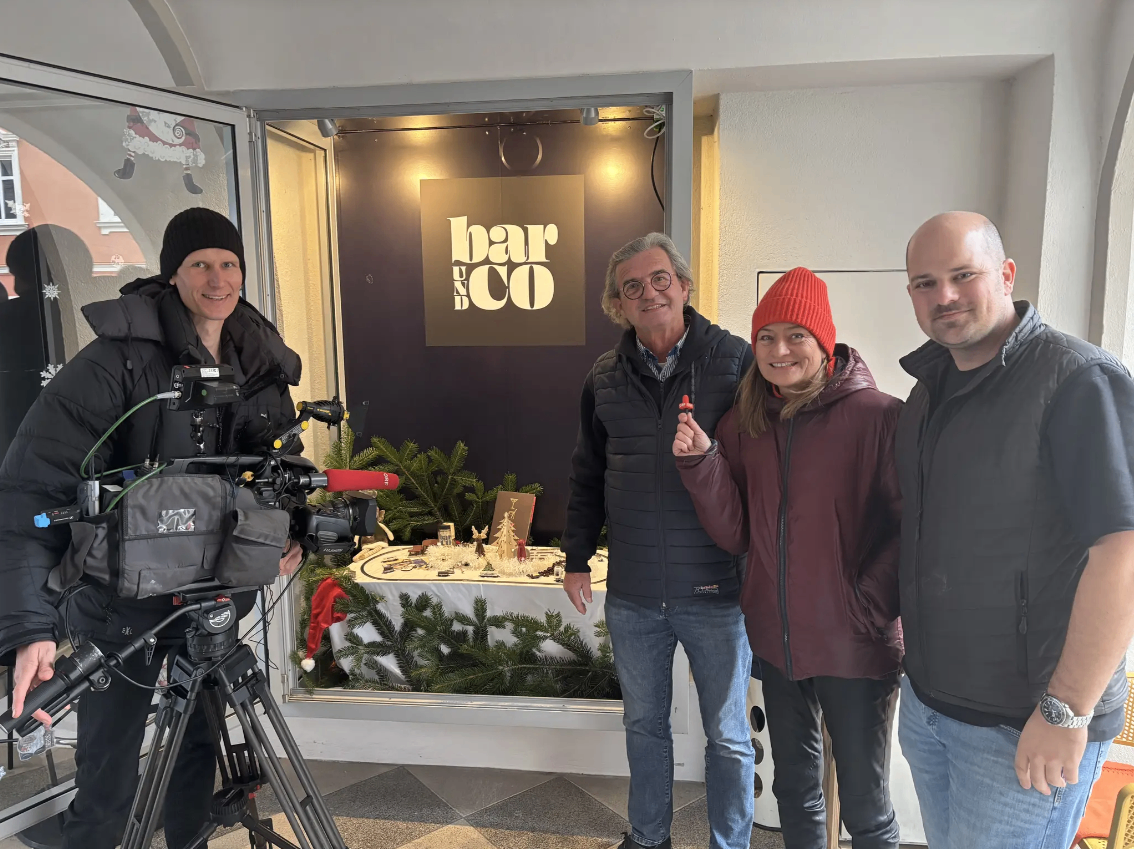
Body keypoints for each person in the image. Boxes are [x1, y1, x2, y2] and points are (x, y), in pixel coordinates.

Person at [0, 207, 305, 849]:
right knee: (109, 767)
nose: (217, 279)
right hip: (120, 606)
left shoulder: (256, 356)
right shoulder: (117, 361)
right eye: (200, 264)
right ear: (172, 275)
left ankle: (187, 839)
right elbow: (36, 483)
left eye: (229, 264)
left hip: (211, 596)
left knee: (198, 742)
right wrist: (32, 628)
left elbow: (277, 457)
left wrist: (293, 531)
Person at [896, 211, 1134, 849]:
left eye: (962, 275)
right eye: (924, 282)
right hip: (931, 706)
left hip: (1024, 724)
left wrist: (1066, 709)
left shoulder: (1078, 380)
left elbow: (1124, 553)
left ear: (1005, 275)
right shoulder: (926, 395)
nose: (943, 296)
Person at [673, 268, 903, 849]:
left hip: (856, 643)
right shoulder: (746, 424)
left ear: (824, 341)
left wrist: (866, 603)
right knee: (795, 792)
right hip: (777, 644)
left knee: (867, 807)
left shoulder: (878, 417)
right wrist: (703, 463)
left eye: (796, 335)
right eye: (766, 337)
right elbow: (735, 534)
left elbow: (912, 527)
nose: (779, 350)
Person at [562, 232, 756, 849]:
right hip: (635, 595)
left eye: (660, 279)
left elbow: (763, 467)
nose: (649, 293)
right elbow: (587, 473)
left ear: (685, 285)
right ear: (619, 305)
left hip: (717, 590)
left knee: (727, 734)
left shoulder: (735, 360)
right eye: (632, 287)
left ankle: (730, 842)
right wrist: (575, 558)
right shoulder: (604, 378)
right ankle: (648, 838)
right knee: (645, 726)